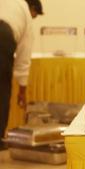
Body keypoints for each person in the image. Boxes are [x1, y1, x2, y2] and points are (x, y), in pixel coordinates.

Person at [0, 0, 43, 150]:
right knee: (2, 91)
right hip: (2, 35)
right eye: (34, 16)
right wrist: (22, 91)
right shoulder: (24, 12)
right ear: (32, 8)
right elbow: (24, 57)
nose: (33, 19)